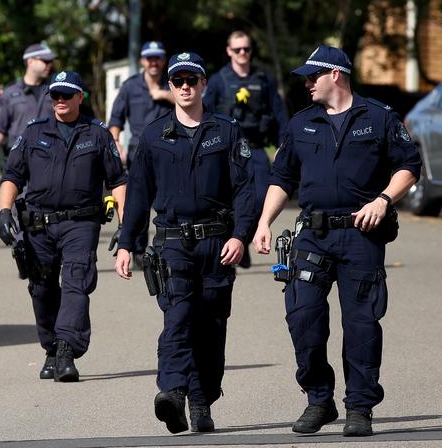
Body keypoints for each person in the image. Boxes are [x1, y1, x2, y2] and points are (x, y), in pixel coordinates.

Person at [253, 45, 421, 436]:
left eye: (313, 75)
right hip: (312, 235)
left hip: (361, 235)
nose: (307, 83)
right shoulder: (300, 124)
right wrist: (263, 222)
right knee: (303, 318)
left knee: (362, 324)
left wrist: (382, 200)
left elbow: (409, 167)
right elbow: (282, 179)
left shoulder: (379, 118)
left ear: (336, 75)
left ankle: (360, 407)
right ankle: (319, 400)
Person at [114, 52, 255, 433]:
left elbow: (244, 189)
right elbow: (139, 195)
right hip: (173, 243)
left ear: (204, 84)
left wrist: (241, 235)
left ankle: (201, 399)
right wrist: (128, 243)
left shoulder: (226, 131)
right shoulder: (154, 136)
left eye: (192, 79)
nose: (185, 86)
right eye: (178, 81)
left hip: (216, 244)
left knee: (211, 328)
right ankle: (172, 394)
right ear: (170, 87)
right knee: (177, 320)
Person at [0, 71, 127, 382]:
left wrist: (126, 224)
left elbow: (118, 181)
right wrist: (4, 211)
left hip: (80, 223)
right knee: (41, 288)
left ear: (80, 97)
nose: (59, 100)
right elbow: (12, 176)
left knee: (76, 282)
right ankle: (52, 348)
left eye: (66, 95)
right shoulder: (32, 133)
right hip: (38, 224)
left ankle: (67, 350)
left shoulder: (97, 134)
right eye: (55, 95)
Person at [203, 31, 288, 268]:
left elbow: (280, 114)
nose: (243, 53)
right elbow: (205, 112)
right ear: (229, 51)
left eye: (246, 49)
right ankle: (235, 241)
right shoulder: (219, 80)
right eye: (238, 49)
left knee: (262, 197)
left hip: (256, 147)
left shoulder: (263, 79)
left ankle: (243, 239)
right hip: (226, 149)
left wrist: (284, 144)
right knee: (226, 200)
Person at [108, 40, 174, 267]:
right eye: (149, 58)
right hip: (138, 152)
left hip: (169, 150)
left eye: (158, 57)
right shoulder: (130, 86)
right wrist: (115, 141)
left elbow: (194, 103)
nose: (153, 62)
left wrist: (164, 95)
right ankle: (138, 249)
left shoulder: (174, 82)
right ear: (143, 61)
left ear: (163, 60)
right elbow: (115, 119)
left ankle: (165, 247)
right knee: (140, 202)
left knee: (167, 201)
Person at [0, 43, 57, 178]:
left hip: (50, 158)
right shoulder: (10, 93)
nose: (49, 65)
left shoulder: (55, 91)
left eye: (51, 62)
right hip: (18, 159)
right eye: (45, 61)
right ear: (30, 61)